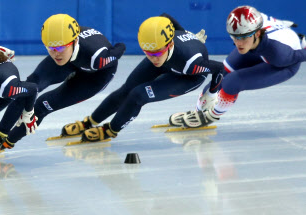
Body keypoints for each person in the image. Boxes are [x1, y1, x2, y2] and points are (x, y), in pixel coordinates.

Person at [63, 14, 222, 142]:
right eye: (148, 52)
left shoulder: (192, 63)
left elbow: (220, 69)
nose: (153, 57)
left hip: (188, 76)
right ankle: (89, 122)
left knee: (138, 95)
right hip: (169, 60)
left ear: (170, 45)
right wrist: (183, 32)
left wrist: (212, 93)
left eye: (156, 52)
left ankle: (110, 130)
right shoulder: (157, 48)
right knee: (126, 90)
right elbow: (165, 17)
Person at [173, 5, 306, 128]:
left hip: (285, 63)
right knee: (221, 74)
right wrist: (283, 23)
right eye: (234, 37)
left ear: (258, 33)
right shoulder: (249, 22)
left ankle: (210, 117)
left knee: (232, 82)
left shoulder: (278, 53)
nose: (238, 43)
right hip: (259, 47)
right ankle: (198, 111)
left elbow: (301, 56)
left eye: (243, 37)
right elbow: (268, 20)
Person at [4, 13, 126, 147]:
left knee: (42, 104)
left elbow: (120, 47)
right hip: (71, 59)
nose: (56, 53)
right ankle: (0, 137)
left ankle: (8, 142)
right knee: (30, 86)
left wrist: (115, 48)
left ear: (74, 41)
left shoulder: (98, 59)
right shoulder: (61, 49)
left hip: (96, 76)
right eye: (50, 48)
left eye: (60, 47)